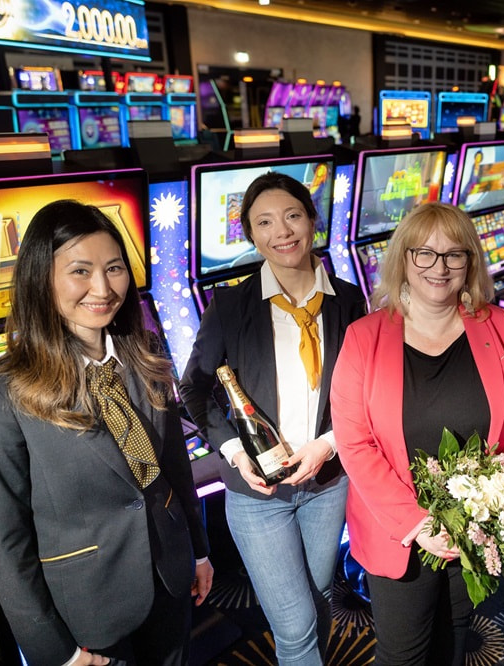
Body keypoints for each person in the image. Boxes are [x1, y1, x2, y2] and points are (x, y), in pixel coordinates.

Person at [0, 200, 213, 666]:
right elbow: (4, 542)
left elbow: (175, 469)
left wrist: (198, 552)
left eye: (114, 267)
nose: (103, 287)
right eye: (81, 270)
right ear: (42, 279)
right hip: (87, 615)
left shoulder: (146, 354)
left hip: (170, 576)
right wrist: (53, 652)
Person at [330, 202, 504, 665]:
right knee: (403, 655)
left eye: (454, 255)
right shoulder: (363, 337)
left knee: (453, 644)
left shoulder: (499, 326)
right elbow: (354, 442)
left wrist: (501, 502)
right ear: (403, 260)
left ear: (470, 263)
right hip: (401, 536)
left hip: (474, 529)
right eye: (424, 253)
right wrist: (418, 523)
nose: (439, 267)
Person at [180, 172, 365, 665]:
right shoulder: (230, 304)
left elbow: (362, 394)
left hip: (326, 484)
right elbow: (193, 389)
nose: (281, 231)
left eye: (291, 216)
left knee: (320, 601)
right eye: (264, 222)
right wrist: (236, 453)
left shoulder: (348, 300)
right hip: (257, 494)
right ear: (251, 234)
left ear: (312, 220)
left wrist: (328, 444)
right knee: (295, 623)